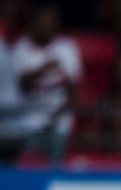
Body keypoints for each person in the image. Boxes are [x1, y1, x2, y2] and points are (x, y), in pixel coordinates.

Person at [5, 6, 80, 162]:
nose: (46, 28)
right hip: (29, 120)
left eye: (50, 24)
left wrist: (56, 115)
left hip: (58, 120)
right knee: (28, 164)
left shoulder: (66, 48)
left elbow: (74, 88)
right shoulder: (20, 49)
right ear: (33, 24)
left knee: (57, 160)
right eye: (42, 24)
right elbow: (22, 85)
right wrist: (43, 69)